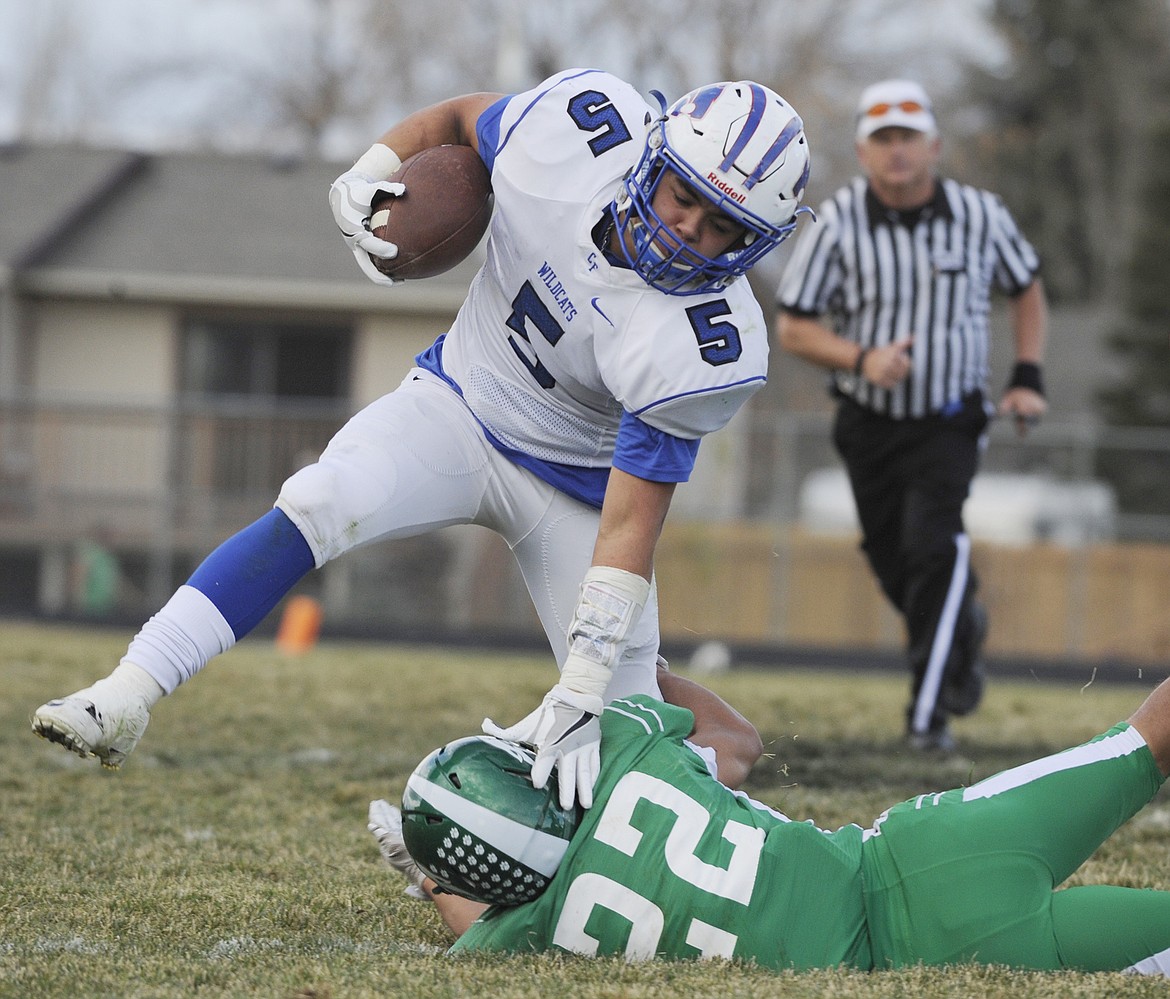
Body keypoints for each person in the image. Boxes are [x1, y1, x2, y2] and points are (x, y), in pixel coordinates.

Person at [32, 69, 812, 809]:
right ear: (655, 153)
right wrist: (374, 164)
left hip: (577, 489)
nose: (688, 233)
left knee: (620, 727)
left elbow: (633, 520)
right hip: (458, 406)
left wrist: (579, 687)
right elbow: (461, 116)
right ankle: (125, 694)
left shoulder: (708, 342)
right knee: (318, 498)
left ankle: (714, 751)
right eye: (685, 197)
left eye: (723, 228)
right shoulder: (575, 133)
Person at [370, 668, 1170, 975]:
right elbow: (739, 742)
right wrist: (615, 676)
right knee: (1142, 741)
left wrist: (432, 872)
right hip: (918, 852)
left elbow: (468, 915)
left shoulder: (518, 934)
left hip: (949, 957)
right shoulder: (626, 753)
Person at [774, 79, 1050, 751]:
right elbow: (794, 326)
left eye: (908, 137)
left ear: (934, 145)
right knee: (896, 560)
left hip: (950, 419)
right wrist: (862, 357)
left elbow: (1027, 287)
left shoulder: (981, 214)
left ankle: (929, 715)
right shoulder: (837, 221)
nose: (897, 152)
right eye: (883, 139)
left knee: (934, 548)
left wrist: (1027, 376)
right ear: (864, 151)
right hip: (868, 420)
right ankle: (963, 628)